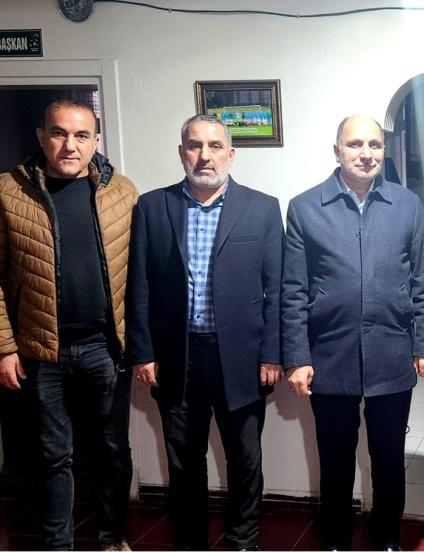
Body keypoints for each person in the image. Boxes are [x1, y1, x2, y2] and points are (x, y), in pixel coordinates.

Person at [281, 115, 424, 551]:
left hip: (392, 351)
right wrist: (297, 356)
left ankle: (387, 535)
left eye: (374, 144)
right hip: (329, 354)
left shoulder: (407, 205)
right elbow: (292, 289)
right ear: (337, 151)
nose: (366, 153)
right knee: (335, 458)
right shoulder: (305, 207)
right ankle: (336, 536)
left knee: (388, 457)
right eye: (355, 144)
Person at [127, 114, 284, 551]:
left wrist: (273, 353)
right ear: (182, 153)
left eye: (215, 146)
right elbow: (139, 284)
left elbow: (278, 288)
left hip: (243, 359)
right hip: (177, 358)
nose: (204, 155)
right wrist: (142, 352)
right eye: (195, 145)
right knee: (184, 463)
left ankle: (242, 542)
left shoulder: (263, 208)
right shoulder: (152, 207)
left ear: (230, 154)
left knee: (245, 461)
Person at [0, 99, 138, 551]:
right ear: (41, 137)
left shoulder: (123, 193)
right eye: (59, 133)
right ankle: (58, 544)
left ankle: (112, 539)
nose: (70, 145)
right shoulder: (8, 192)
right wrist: (4, 347)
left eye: (81, 136)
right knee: (53, 455)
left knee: (113, 450)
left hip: (107, 349)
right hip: (43, 351)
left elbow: (139, 275)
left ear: (96, 141)